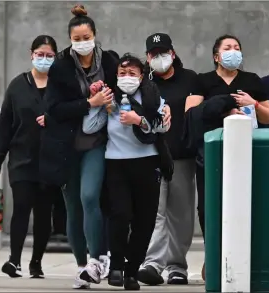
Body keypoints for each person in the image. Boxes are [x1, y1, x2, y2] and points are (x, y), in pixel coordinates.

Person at [40, 4, 117, 289]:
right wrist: (89, 103)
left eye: (87, 37)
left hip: (97, 142)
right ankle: (82, 266)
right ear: (70, 39)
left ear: (95, 35)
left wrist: (108, 100)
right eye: (77, 38)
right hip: (66, 145)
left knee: (89, 197)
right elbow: (54, 109)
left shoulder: (109, 61)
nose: (82, 42)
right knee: (73, 207)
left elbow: (124, 90)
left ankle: (97, 260)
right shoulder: (60, 66)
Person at [184, 34, 269, 280]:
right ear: (216, 56)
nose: (233, 51)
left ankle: (244, 257)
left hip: (247, 151)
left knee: (245, 202)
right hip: (210, 153)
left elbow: (268, 117)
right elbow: (190, 112)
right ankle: (213, 256)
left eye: (237, 47)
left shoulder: (251, 80)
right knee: (209, 206)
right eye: (227, 48)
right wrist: (222, 109)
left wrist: (252, 103)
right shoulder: (203, 80)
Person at [83, 53, 171, 290]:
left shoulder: (152, 97)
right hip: (117, 162)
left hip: (147, 162)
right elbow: (89, 126)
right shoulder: (110, 97)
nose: (127, 78)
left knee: (145, 221)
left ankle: (132, 271)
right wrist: (96, 103)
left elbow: (163, 126)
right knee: (120, 216)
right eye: (122, 73)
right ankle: (116, 267)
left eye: (132, 73)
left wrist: (138, 120)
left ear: (141, 76)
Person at [0, 35, 61, 279]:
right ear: (31, 54)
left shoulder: (61, 86)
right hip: (22, 159)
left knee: (44, 214)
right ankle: (14, 260)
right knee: (20, 208)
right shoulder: (17, 85)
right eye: (40, 54)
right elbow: (5, 127)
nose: (44, 59)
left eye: (49, 55)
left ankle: (36, 263)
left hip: (50, 161)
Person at [138, 33, 197, 286]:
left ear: (173, 53)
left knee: (180, 214)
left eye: (163, 52)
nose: (159, 57)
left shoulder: (190, 79)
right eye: (154, 54)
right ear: (147, 57)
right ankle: (152, 263)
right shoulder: (144, 82)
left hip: (182, 156)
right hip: (152, 156)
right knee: (155, 211)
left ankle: (177, 266)